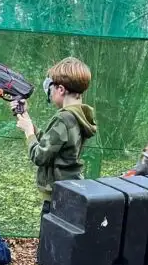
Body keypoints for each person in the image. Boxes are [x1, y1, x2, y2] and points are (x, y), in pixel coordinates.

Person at [11, 57, 97, 220]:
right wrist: (28, 121)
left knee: (51, 244)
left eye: (51, 89)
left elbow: (39, 156)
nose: (49, 94)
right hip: (70, 191)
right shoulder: (78, 115)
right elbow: (52, 144)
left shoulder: (64, 118)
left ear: (61, 89)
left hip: (58, 198)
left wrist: (29, 132)